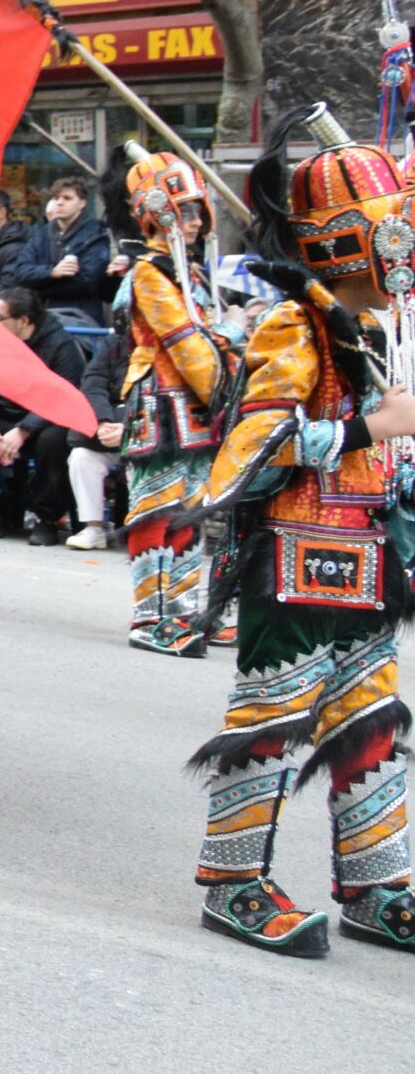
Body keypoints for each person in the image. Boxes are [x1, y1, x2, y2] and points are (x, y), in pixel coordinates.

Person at [188, 105, 415, 957]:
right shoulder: (295, 325)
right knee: (271, 721)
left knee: (372, 721)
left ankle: (378, 882)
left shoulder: (385, 330)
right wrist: (368, 427)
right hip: (295, 553)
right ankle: (233, 880)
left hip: (372, 556)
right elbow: (253, 447)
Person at [110, 148, 237, 652]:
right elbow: (184, 342)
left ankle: (184, 610)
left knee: (189, 511)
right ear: (155, 216)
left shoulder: (189, 272)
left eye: (197, 213)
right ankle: (150, 617)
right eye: (183, 213)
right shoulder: (150, 272)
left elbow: (205, 338)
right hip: (160, 403)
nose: (194, 222)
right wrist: (226, 389)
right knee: (154, 511)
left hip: (195, 405)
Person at [0, 286, 88, 539]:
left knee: (54, 441)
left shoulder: (61, 346)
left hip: (44, 421)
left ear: (23, 321)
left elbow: (65, 396)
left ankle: (46, 518)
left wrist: (24, 430)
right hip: (3, 415)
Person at [9, 176, 114, 315]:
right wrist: (51, 272)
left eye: (67, 198)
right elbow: (20, 273)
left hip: (80, 316)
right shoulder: (40, 233)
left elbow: (87, 282)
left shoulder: (96, 233)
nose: (59, 203)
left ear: (82, 203)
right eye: (56, 198)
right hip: (42, 315)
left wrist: (39, 286)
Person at [64, 327, 128, 551]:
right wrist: (102, 421)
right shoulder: (115, 343)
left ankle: (144, 527)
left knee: (140, 460)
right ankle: (94, 528)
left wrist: (129, 428)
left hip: (148, 431)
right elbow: (92, 384)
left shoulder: (171, 345)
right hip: (110, 425)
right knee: (81, 457)